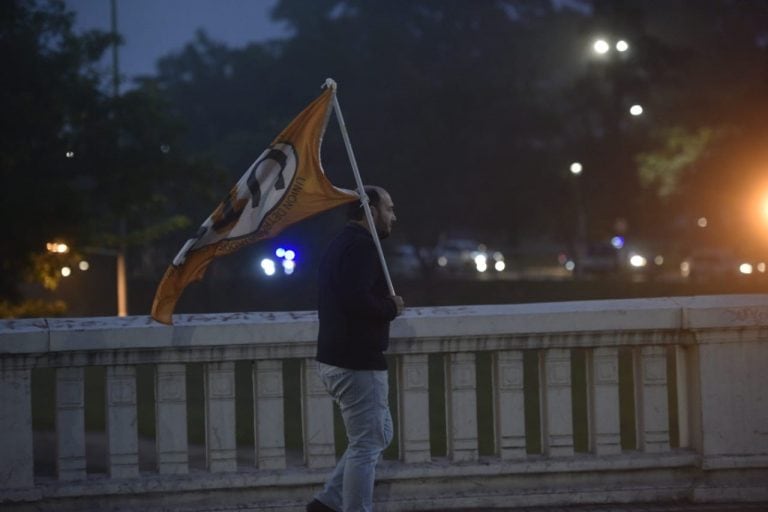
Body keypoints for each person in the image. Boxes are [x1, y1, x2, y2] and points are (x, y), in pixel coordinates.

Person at [307, 185, 405, 512]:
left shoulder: (340, 244)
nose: (393, 215)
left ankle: (328, 502)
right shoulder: (363, 247)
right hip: (357, 362)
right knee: (366, 445)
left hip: (336, 357)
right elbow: (357, 301)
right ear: (370, 211)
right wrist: (392, 307)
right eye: (388, 208)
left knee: (380, 433)